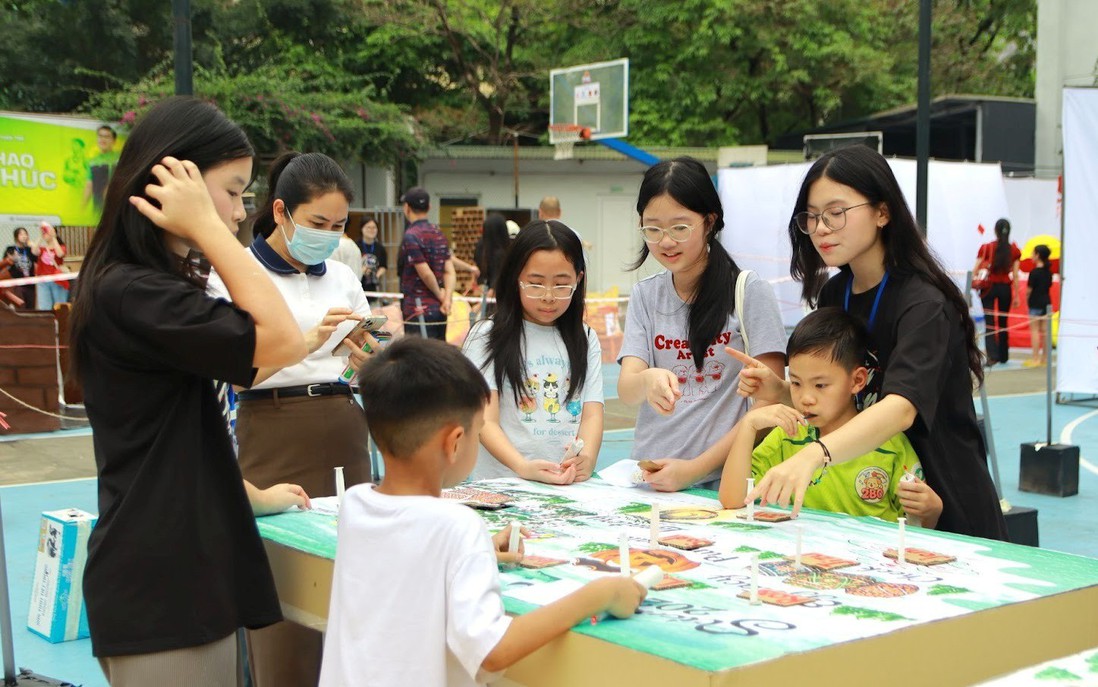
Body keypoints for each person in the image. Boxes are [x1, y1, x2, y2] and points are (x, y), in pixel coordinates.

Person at [67, 96, 310, 685]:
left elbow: (173, 433)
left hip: (183, 575)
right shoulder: (134, 294)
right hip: (163, 588)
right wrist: (204, 225)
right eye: (230, 191)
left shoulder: (145, 288)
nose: (236, 213)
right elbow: (281, 340)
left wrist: (252, 493)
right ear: (172, 181)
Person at [319, 337, 646, 687]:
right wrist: (601, 594)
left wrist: (478, 552)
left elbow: (404, 556)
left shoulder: (355, 504)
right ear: (455, 442)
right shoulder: (459, 527)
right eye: (478, 432)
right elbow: (492, 651)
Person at [740, 144, 1007, 540]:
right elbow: (847, 395)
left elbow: (900, 409)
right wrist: (782, 391)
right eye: (811, 217)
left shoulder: (924, 303)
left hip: (942, 502)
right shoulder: (836, 294)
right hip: (872, 507)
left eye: (836, 213)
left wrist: (815, 455)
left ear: (882, 212)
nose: (821, 229)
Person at [206, 151, 377, 686]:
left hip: (345, 425)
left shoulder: (344, 276)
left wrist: (368, 354)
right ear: (281, 213)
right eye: (316, 224)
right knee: (280, 581)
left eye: (338, 225)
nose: (328, 235)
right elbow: (233, 375)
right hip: (270, 424)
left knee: (354, 577)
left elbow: (361, 359)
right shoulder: (235, 273)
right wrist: (302, 342)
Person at [617, 157, 787, 492]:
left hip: (723, 483)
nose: (666, 242)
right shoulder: (646, 296)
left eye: (680, 228)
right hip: (652, 478)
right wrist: (647, 380)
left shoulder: (749, 292)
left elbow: (770, 402)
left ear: (709, 222)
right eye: (652, 228)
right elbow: (626, 390)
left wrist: (693, 470)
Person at [720, 308, 942, 528]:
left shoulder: (888, 443)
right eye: (796, 383)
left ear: (857, 381)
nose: (806, 398)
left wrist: (932, 510)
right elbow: (732, 500)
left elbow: (918, 526)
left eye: (820, 385)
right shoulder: (788, 434)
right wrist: (749, 425)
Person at [463, 220, 602, 484]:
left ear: (578, 279)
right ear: (517, 278)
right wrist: (521, 466)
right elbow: (485, 421)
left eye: (562, 285)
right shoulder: (486, 336)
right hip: (503, 488)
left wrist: (588, 457)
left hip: (566, 488)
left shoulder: (585, 338)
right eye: (536, 284)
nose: (548, 296)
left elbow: (592, 413)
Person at [397, 186, 456, 340]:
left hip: (417, 310)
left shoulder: (410, 235)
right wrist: (447, 298)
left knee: (418, 359)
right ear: (429, 207)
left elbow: (425, 272)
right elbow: (449, 270)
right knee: (438, 357)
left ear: (406, 208)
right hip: (440, 310)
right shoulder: (439, 233)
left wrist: (440, 295)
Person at [974, 218, 1021, 366]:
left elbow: (975, 268)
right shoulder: (1014, 250)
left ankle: (992, 356)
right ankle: (1004, 355)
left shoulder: (987, 248)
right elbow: (1015, 274)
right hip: (1005, 288)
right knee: (1003, 321)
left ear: (995, 230)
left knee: (989, 321)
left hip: (989, 287)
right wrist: (1017, 295)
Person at [1025, 244, 1053, 367]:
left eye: (1033, 253)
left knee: (1035, 331)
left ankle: (1035, 358)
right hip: (1047, 302)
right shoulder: (1049, 273)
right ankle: (1045, 358)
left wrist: (1027, 299)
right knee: (1046, 332)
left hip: (1035, 303)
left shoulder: (1034, 272)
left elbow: (1028, 290)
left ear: (1038, 255)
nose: (1032, 256)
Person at [473, 212, 511, 298]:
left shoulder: (480, 246)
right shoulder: (503, 252)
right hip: (496, 295)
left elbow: (475, 267)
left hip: (482, 290)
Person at [34, 222, 70, 310]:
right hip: (43, 281)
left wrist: (53, 237)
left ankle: (61, 323)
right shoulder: (42, 249)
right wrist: (40, 236)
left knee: (60, 306)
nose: (46, 234)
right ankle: (48, 323)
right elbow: (34, 251)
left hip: (57, 280)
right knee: (44, 307)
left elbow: (60, 254)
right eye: (45, 232)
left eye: (47, 232)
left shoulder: (61, 247)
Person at [85, 124, 120, 213]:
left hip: (113, 206)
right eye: (100, 136)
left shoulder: (118, 159)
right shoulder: (93, 161)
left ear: (114, 140)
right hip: (98, 206)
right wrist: (82, 209)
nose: (103, 139)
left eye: (107, 137)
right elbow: (89, 185)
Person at [3, 227, 36, 309]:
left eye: (25, 234)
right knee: (20, 308)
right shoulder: (10, 249)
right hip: (16, 284)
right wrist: (12, 259)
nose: (24, 236)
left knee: (31, 307)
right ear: (16, 236)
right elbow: (5, 264)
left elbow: (37, 260)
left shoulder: (30, 249)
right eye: (21, 234)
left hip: (30, 283)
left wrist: (33, 246)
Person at [358, 216, 388, 296]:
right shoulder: (355, 246)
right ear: (362, 228)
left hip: (373, 287)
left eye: (374, 228)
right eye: (368, 227)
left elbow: (383, 266)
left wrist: (377, 275)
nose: (371, 230)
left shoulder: (380, 248)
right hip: (358, 285)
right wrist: (361, 270)